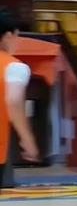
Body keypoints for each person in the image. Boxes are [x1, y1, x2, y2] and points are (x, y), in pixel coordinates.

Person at [0, 11, 38, 189]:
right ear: (8, 36)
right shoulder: (14, 67)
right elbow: (14, 100)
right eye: (18, 36)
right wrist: (27, 139)